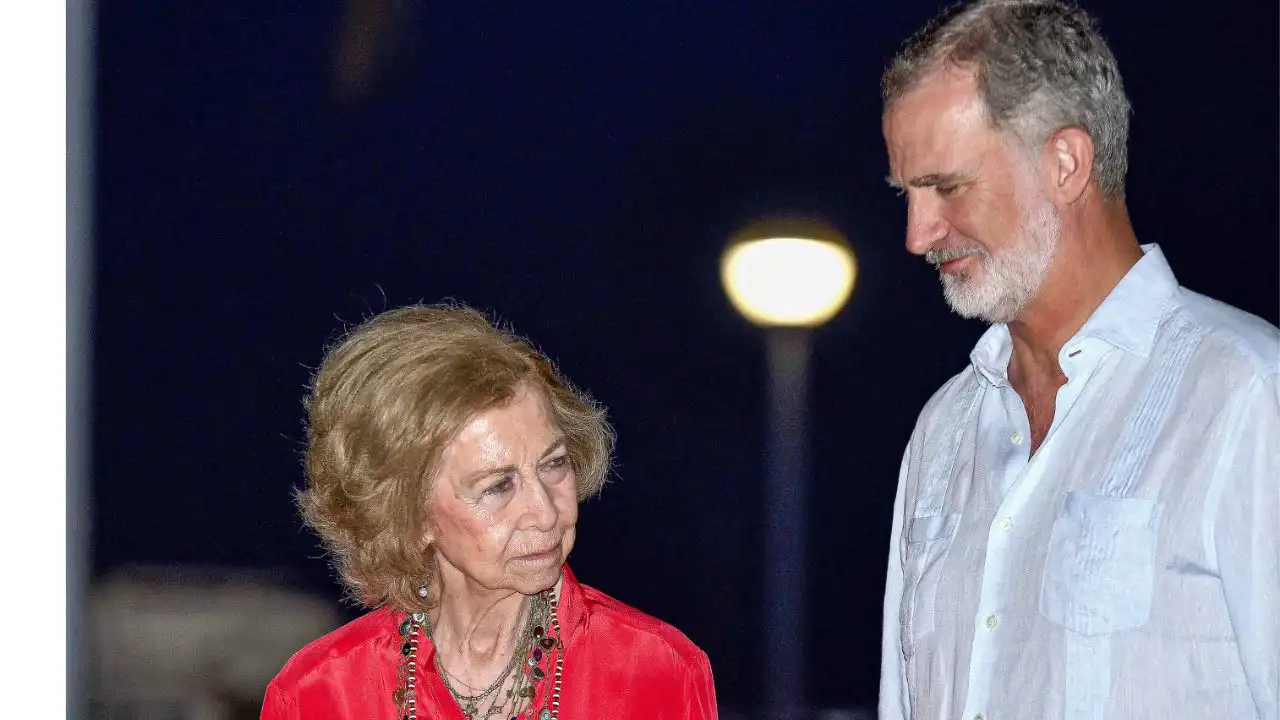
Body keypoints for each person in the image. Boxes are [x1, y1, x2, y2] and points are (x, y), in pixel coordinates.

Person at [877, 2, 1279, 719]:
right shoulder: (943, 431)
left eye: (947, 186)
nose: (918, 234)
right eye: (906, 193)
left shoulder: (1248, 395)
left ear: (1065, 163)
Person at [261, 305, 717, 720]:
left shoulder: (658, 672)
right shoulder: (317, 694)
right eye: (498, 486)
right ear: (408, 516)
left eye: (554, 464)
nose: (545, 512)